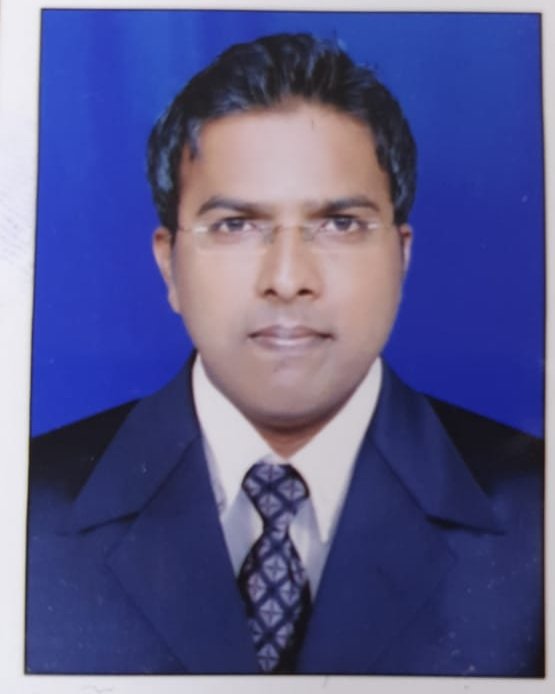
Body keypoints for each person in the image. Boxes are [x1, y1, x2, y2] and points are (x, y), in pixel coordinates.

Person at [26, 33, 543, 676]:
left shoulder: (536, 511)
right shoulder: (25, 507)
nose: (288, 278)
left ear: (401, 257)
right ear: (169, 265)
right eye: (236, 225)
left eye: (340, 224)